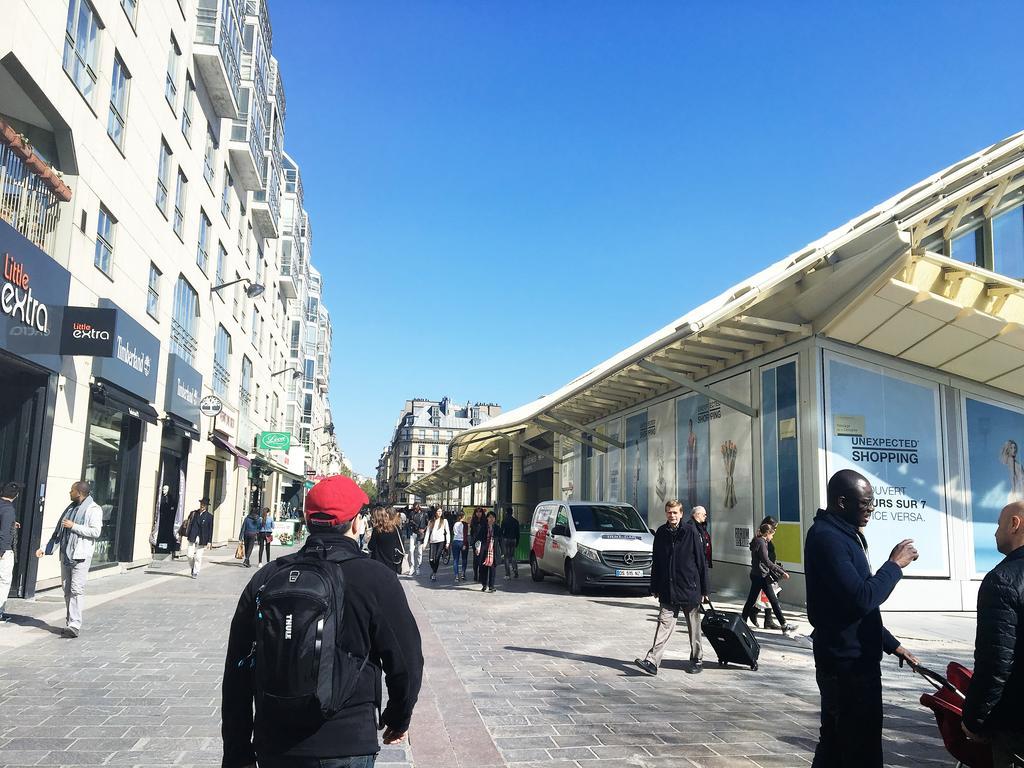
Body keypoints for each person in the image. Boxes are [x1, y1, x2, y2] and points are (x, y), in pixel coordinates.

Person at [222, 474, 423, 768]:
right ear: (356, 524)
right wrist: (398, 717)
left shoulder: (268, 576)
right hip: (346, 740)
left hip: (275, 739)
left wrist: (237, 751)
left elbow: (237, 669)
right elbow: (407, 661)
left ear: (307, 521)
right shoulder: (376, 578)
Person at [804, 469, 920, 768]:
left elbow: (852, 607)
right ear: (842, 502)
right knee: (857, 747)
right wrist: (894, 566)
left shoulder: (843, 534)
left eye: (872, 503)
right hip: (846, 666)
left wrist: (891, 644)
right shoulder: (827, 538)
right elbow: (862, 597)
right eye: (865, 503)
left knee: (837, 745)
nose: (871, 510)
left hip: (854, 659)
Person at [962, 500, 1024, 767]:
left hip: (1016, 726)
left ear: (1014, 524)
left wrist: (974, 719)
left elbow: (996, 662)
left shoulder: (1002, 580)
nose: (995, 533)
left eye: (998, 525)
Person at [634, 499, 709, 676]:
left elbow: (701, 561)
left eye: (675, 512)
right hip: (668, 588)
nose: (672, 515)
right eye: (669, 512)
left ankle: (697, 659)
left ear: (681, 514)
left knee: (694, 627)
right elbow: (657, 561)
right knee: (663, 623)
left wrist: (705, 590)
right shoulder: (661, 532)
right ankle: (652, 661)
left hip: (689, 587)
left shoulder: (691, 531)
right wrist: (654, 586)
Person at [35, 481, 102, 638]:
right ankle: (70, 621)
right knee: (66, 589)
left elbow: (96, 532)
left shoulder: (94, 509)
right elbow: (59, 533)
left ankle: (74, 625)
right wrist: (45, 548)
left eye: (72, 490)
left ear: (79, 492)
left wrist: (74, 526)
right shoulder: (70, 509)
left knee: (76, 590)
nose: (70, 492)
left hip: (81, 556)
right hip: (66, 555)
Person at [741, 523, 797, 635]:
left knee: (754, 600)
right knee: (772, 600)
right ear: (767, 533)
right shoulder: (761, 542)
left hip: (758, 574)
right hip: (761, 576)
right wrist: (781, 572)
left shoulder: (758, 541)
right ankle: (784, 625)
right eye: (772, 534)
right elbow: (766, 561)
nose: (772, 537)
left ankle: (742, 623)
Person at [0, 481, 23, 621]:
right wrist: (2, 551)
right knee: (4, 581)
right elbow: (3, 533)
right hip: (4, 551)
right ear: (16, 495)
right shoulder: (8, 509)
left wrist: (11, 524)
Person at [754, 515, 780, 628]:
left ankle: (767, 619)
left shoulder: (765, 538)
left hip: (768, 570)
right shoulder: (763, 540)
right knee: (771, 595)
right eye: (774, 528)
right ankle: (755, 612)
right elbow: (765, 558)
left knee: (771, 595)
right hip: (765, 571)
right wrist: (777, 569)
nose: (775, 530)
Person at [368, 505, 406, 575]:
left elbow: (370, 546)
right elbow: (399, 544)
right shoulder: (395, 528)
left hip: (378, 564)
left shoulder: (377, 529)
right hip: (392, 563)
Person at [182, 497, 214, 579]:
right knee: (189, 555)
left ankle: (196, 571)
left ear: (207, 506)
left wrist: (209, 541)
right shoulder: (193, 513)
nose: (202, 505)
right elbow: (187, 523)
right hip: (192, 536)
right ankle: (193, 567)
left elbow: (210, 530)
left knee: (198, 557)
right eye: (201, 504)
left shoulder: (209, 516)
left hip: (202, 538)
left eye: (204, 504)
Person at [474, 511, 499, 593]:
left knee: (493, 569)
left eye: (493, 517)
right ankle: (484, 584)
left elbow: (500, 539)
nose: (491, 519)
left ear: (495, 519)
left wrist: (503, 551)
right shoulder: (483, 527)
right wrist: (477, 548)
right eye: (490, 517)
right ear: (487, 518)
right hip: (484, 550)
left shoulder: (497, 528)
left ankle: (491, 586)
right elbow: (478, 538)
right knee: (483, 568)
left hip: (493, 551)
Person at [424, 506, 450, 582]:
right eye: (438, 511)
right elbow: (427, 533)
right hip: (432, 542)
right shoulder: (431, 521)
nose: (439, 513)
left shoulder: (444, 521)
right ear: (435, 512)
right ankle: (434, 570)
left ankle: (434, 574)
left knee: (437, 558)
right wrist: (425, 544)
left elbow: (447, 532)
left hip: (441, 541)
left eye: (441, 511)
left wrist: (448, 542)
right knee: (431, 559)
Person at [404, 503, 426, 574]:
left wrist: (423, 530)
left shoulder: (424, 514)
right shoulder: (411, 513)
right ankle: (412, 567)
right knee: (411, 550)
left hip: (420, 533)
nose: (415, 510)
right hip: (413, 533)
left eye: (416, 508)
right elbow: (408, 522)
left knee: (419, 552)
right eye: (414, 508)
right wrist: (410, 523)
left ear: (419, 507)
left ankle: (418, 567)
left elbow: (427, 523)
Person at [500, 507, 520, 580]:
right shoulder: (515, 521)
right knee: (512, 556)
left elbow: (501, 531)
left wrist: (502, 537)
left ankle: (508, 574)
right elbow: (518, 533)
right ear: (512, 512)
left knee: (506, 557)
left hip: (506, 539)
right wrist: (517, 541)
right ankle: (515, 571)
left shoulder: (504, 520)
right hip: (513, 539)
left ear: (506, 512)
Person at [690, 505, 712, 570]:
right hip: (696, 564)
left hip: (704, 561)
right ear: (697, 514)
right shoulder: (691, 528)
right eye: (704, 514)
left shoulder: (702, 527)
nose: (705, 516)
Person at [469, 507, 486, 582]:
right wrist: (473, 542)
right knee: (475, 559)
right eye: (477, 512)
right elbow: (472, 533)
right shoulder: (473, 521)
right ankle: (475, 574)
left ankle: (480, 575)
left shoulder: (485, 521)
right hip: (475, 542)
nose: (478, 513)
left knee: (481, 559)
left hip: (482, 542)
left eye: (480, 512)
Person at [451, 513, 467, 582]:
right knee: (464, 559)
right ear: (463, 517)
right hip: (462, 541)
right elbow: (465, 534)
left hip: (455, 541)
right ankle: (463, 574)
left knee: (455, 560)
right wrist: (465, 544)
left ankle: (456, 576)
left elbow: (453, 533)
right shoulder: (464, 524)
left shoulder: (455, 524)